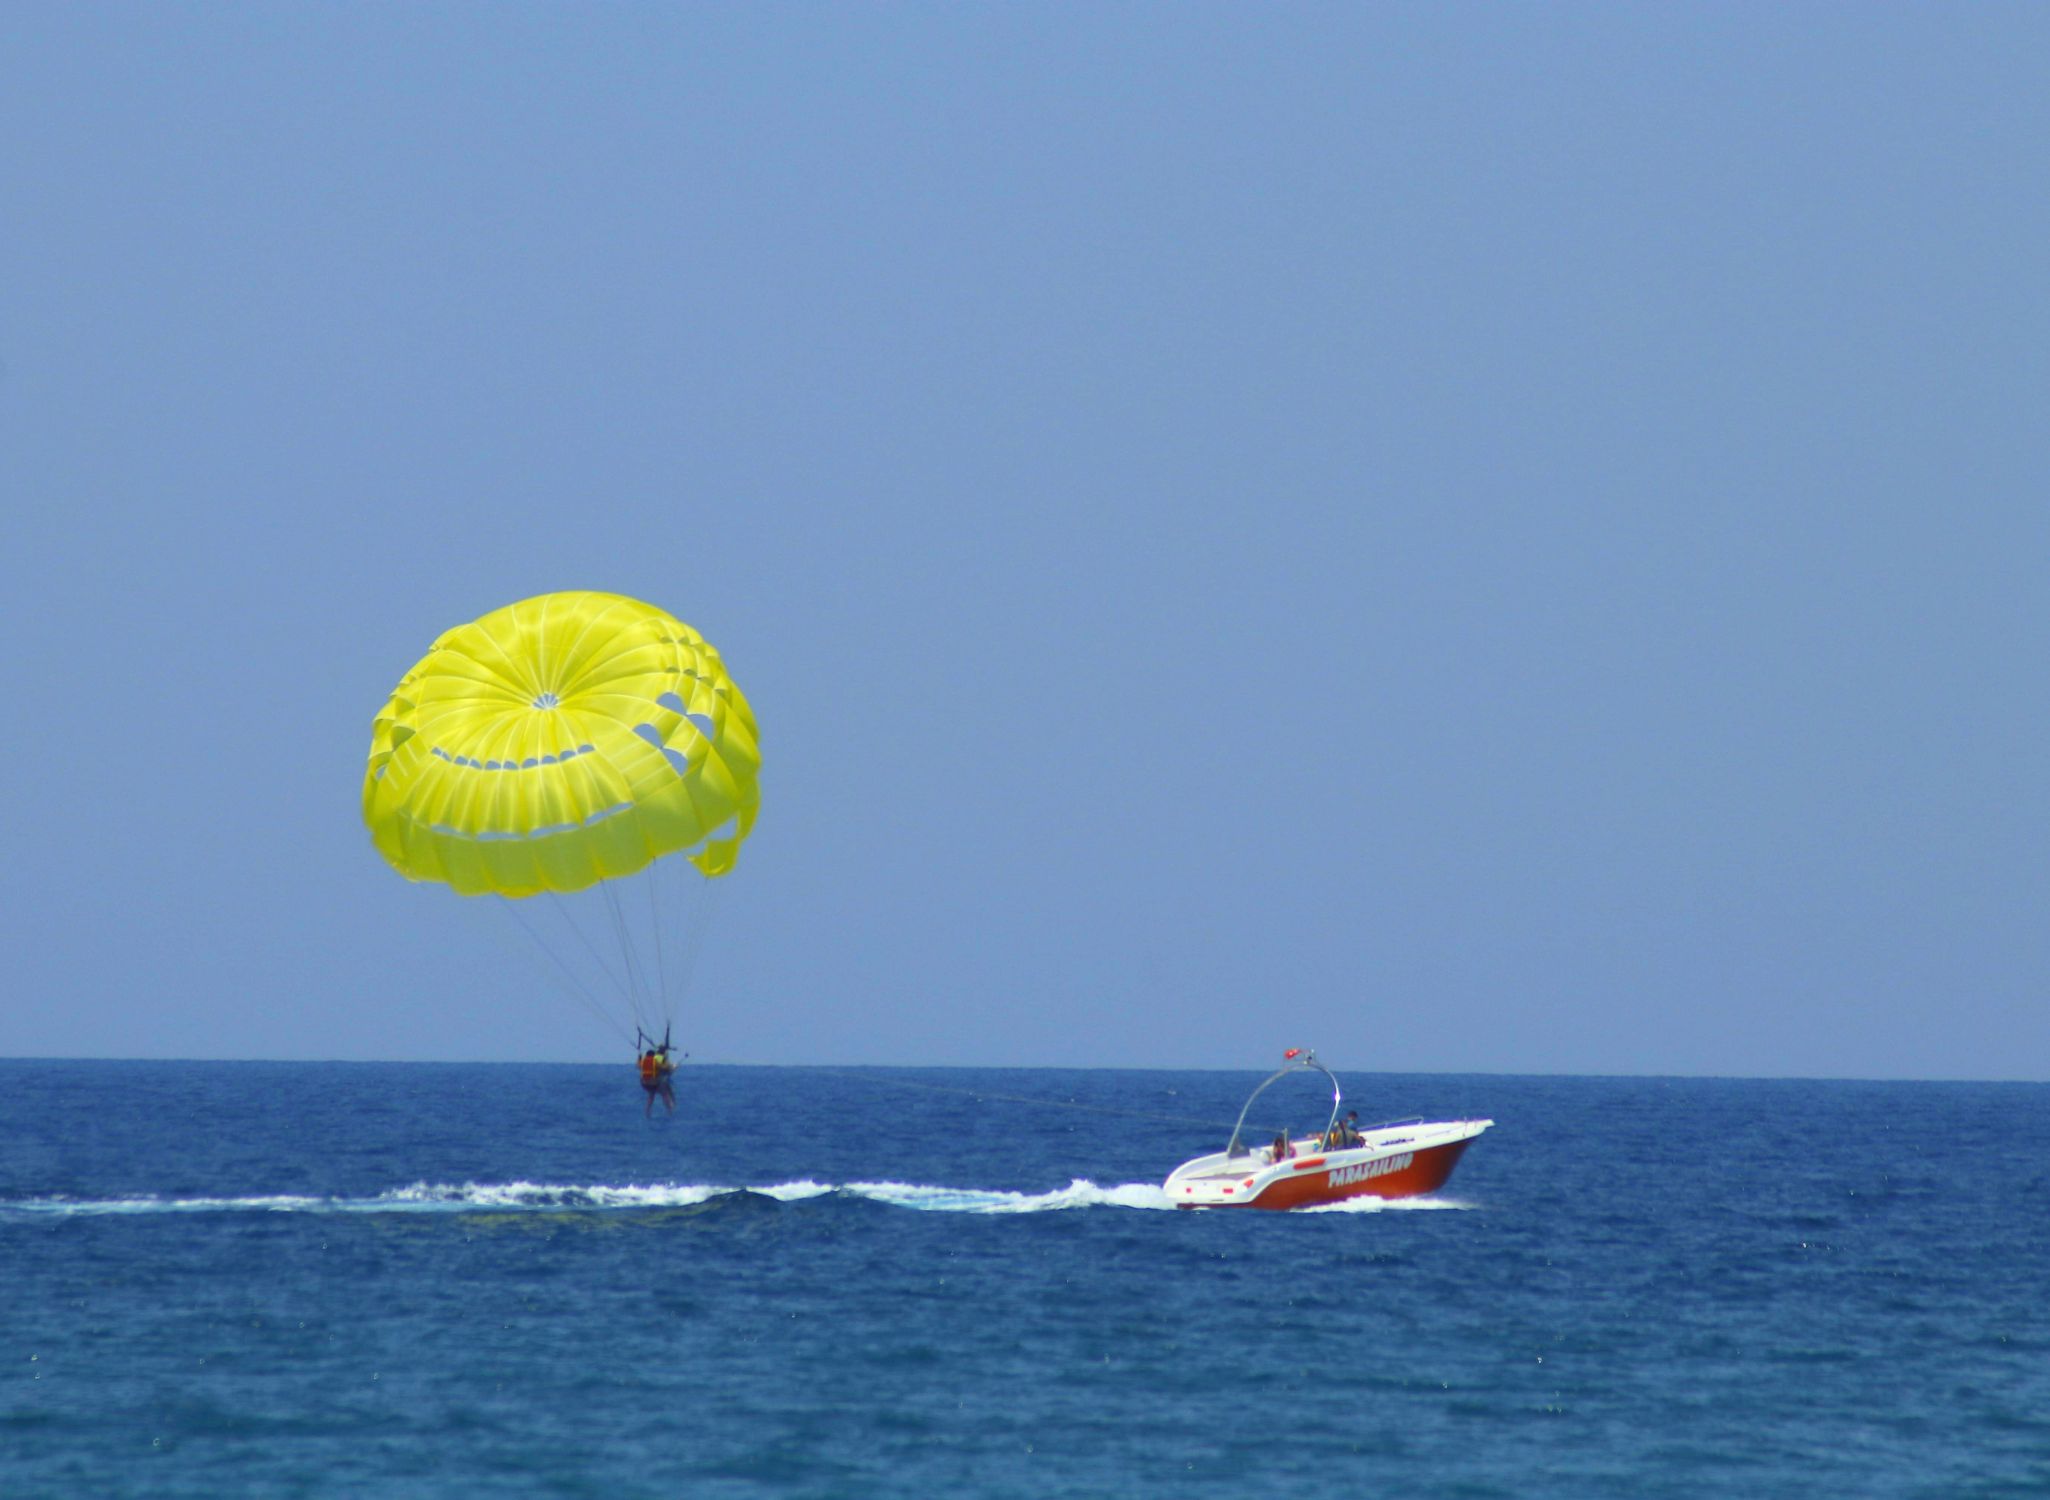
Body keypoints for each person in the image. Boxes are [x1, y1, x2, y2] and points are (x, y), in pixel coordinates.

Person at [637, 1030, 678, 1116]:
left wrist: (640, 1056)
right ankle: (670, 1111)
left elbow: (638, 1065)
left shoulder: (643, 1061)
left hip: (644, 1083)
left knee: (651, 1095)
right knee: (665, 1094)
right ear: (653, 1055)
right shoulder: (654, 1061)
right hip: (654, 1082)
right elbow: (664, 1067)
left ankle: (647, 1112)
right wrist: (673, 1067)